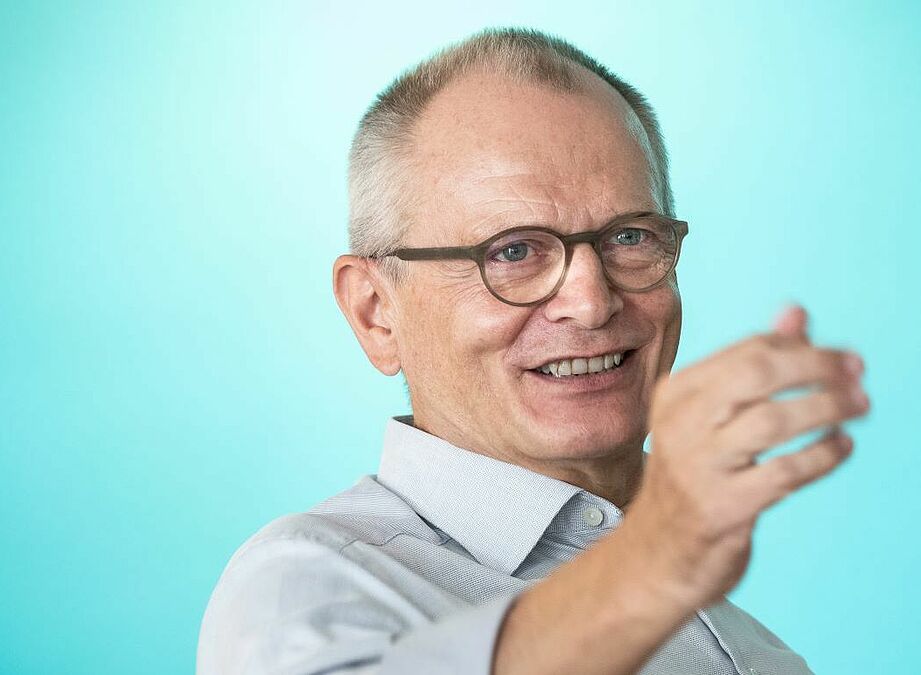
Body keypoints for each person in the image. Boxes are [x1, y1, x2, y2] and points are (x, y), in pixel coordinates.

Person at [197, 26, 870, 675]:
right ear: (377, 313)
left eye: (630, 237)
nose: (591, 299)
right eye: (512, 251)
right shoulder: (303, 587)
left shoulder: (753, 645)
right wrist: (656, 559)